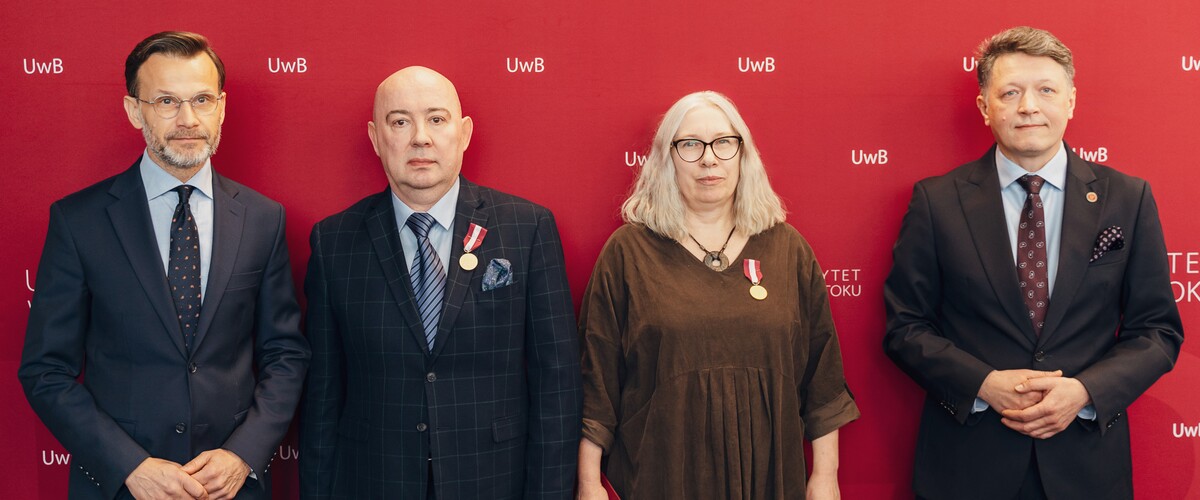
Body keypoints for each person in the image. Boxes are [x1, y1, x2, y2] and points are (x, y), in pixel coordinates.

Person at [883, 26, 1183, 500]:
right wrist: (984, 384)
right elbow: (906, 327)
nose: (1028, 106)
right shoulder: (936, 202)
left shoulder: (1128, 199)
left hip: (1086, 466)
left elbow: (1157, 331)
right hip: (967, 466)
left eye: (1046, 90)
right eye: (1010, 93)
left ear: (1071, 101)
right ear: (985, 107)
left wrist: (1085, 392)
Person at [18, 31, 311, 500]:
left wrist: (243, 454)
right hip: (120, 489)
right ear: (135, 110)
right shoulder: (79, 222)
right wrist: (128, 466)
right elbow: (46, 370)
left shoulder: (263, 218)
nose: (188, 119)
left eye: (202, 100)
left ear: (221, 107)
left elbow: (285, 354)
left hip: (231, 488)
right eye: (167, 102)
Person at [299, 66, 582, 499]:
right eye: (400, 122)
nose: (420, 138)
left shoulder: (527, 229)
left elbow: (556, 384)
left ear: (463, 133)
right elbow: (322, 396)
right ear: (375, 138)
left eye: (436, 119)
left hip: (494, 482)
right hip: (374, 482)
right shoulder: (334, 241)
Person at [576, 91, 860, 500]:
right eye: (691, 144)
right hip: (660, 476)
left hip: (771, 478)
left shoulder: (788, 249)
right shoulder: (627, 253)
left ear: (744, 155)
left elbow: (822, 378)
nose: (709, 159)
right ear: (667, 159)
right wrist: (589, 483)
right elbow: (596, 384)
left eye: (724, 142)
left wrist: (825, 476)